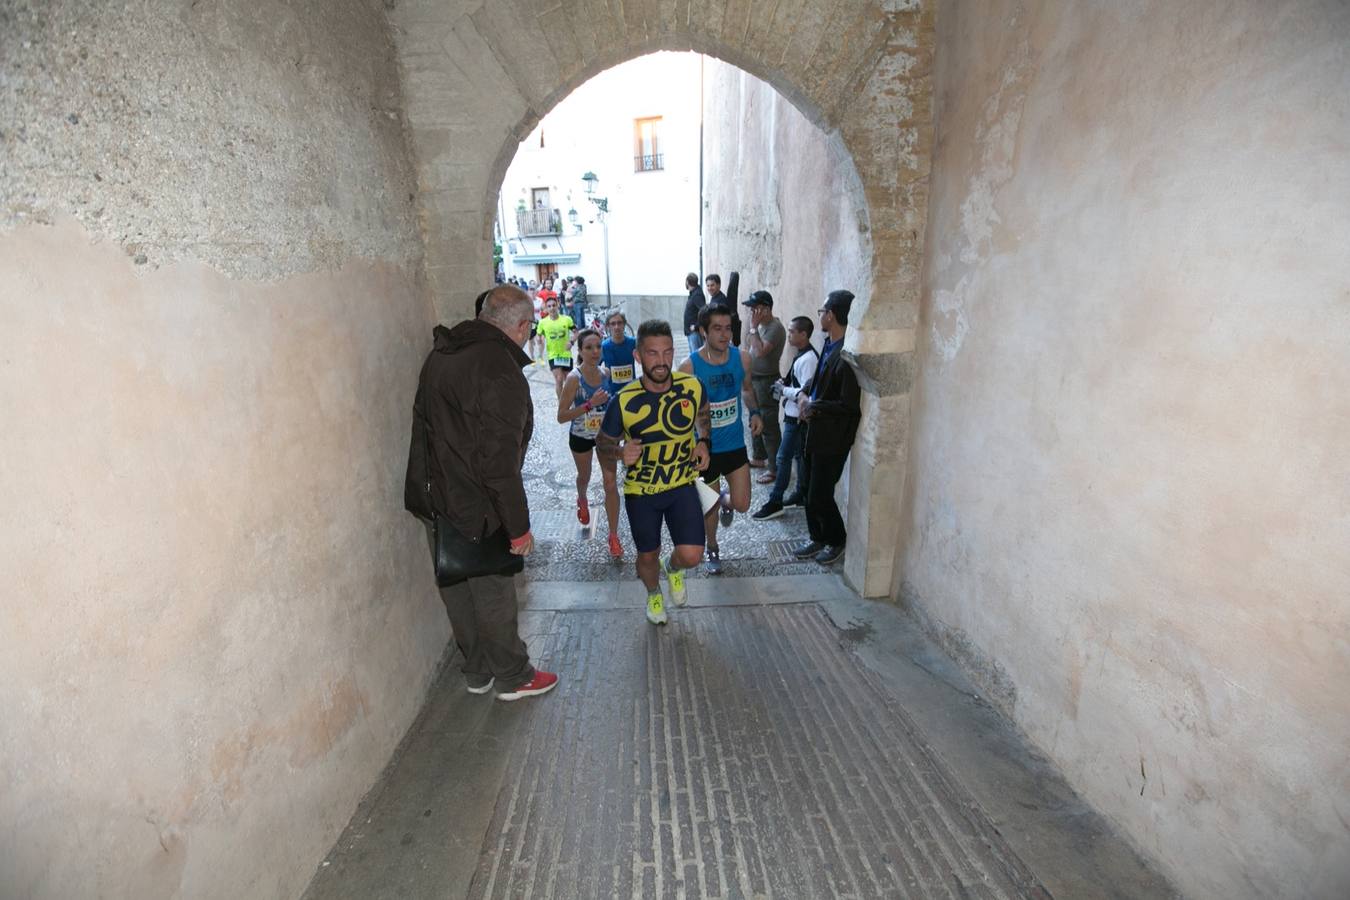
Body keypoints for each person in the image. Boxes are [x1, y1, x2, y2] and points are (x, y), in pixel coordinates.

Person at [403, 284, 557, 701]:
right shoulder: (499, 370)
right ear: (523, 326)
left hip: (435, 493)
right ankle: (513, 675)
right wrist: (519, 528)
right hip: (476, 501)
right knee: (492, 590)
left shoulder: (443, 352)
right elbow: (499, 463)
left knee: (456, 583)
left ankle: (477, 671)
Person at [597, 320, 711, 625]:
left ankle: (672, 569)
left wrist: (703, 443)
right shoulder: (623, 401)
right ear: (638, 356)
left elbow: (702, 412)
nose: (661, 361)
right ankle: (653, 594)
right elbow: (602, 444)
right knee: (646, 556)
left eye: (667, 352)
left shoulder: (692, 386)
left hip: (681, 484)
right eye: (652, 353)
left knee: (691, 555)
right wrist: (620, 453)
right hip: (642, 492)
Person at [679, 304, 762, 575]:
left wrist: (755, 412)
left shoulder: (743, 359)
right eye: (717, 329)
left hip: (736, 445)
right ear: (703, 331)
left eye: (728, 328)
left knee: (742, 504)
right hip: (705, 450)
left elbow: (747, 389)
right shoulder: (689, 366)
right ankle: (712, 547)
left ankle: (726, 499)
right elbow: (681, 411)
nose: (725, 334)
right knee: (709, 506)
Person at [794, 290, 861, 566]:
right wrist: (805, 393)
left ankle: (836, 539)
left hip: (832, 436)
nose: (819, 315)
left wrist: (814, 406)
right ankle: (817, 537)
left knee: (820, 494)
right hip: (814, 431)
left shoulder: (847, 354)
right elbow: (820, 381)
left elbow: (848, 405)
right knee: (807, 488)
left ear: (831, 315)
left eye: (822, 312)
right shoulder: (828, 343)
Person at [557, 329, 623, 559]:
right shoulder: (574, 379)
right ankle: (582, 497)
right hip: (581, 436)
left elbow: (611, 406)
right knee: (584, 476)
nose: (595, 351)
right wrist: (588, 404)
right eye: (589, 348)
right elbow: (561, 416)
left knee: (610, 483)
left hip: (605, 437)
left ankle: (613, 536)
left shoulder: (606, 373)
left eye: (598, 347)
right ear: (581, 351)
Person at [752, 315, 818, 520]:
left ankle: (775, 501)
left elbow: (804, 395)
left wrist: (783, 389)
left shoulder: (809, 359)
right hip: (792, 416)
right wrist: (785, 382)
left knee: (782, 458)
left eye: (791, 332)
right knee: (798, 457)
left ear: (803, 334)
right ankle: (800, 494)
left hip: (797, 419)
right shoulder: (802, 354)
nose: (788, 335)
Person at [742, 290, 786, 480]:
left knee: (768, 424)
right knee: (755, 417)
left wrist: (752, 328)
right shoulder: (759, 326)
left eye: (755, 308)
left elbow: (759, 352)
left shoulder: (774, 328)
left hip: (766, 381)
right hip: (754, 379)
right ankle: (759, 457)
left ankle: (774, 468)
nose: (752, 312)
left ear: (766, 309)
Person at [538, 297, 575, 398]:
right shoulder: (543, 322)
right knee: (559, 379)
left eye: (554, 305)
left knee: (568, 380)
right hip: (553, 355)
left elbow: (577, 333)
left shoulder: (567, 319)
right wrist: (539, 340)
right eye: (549, 306)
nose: (552, 308)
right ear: (546, 308)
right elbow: (539, 334)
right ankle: (561, 404)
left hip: (566, 354)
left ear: (558, 305)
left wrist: (571, 342)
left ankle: (570, 400)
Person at [600, 310, 639, 393]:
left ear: (624, 324)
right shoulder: (604, 346)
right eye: (613, 324)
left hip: (630, 391)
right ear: (608, 326)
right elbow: (593, 367)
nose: (616, 327)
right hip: (612, 394)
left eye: (619, 323)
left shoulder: (633, 343)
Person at [704, 273, 742, 349]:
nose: (710, 288)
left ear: (719, 285)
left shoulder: (720, 301)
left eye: (712, 285)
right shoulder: (715, 298)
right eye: (708, 286)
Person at [683, 272, 706, 354]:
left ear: (687, 282)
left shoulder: (697, 295)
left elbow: (705, 312)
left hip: (695, 333)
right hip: (691, 332)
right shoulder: (694, 293)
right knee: (694, 358)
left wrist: (696, 326)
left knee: (697, 357)